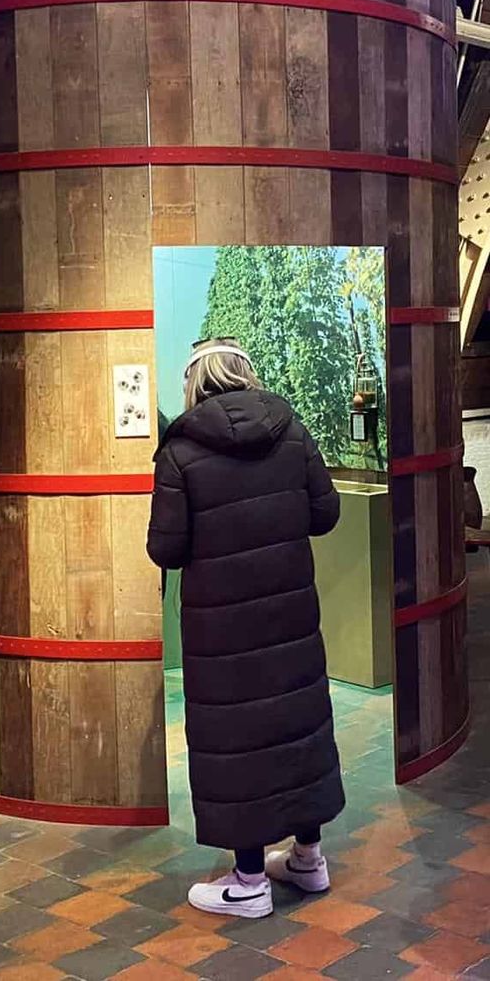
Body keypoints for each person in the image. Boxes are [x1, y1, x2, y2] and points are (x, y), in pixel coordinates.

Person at [146, 338, 344, 919]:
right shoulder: (293, 431)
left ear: (195, 385)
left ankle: (250, 881)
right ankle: (308, 858)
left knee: (240, 742)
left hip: (223, 635)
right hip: (290, 619)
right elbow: (326, 514)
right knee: (296, 727)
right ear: (246, 374)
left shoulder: (180, 453)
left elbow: (167, 548)